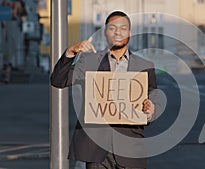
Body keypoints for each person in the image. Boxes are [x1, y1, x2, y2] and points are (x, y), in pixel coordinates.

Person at [51, 11, 157, 169]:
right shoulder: (89, 62)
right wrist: (71, 52)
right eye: (112, 28)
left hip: (130, 149)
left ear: (130, 33)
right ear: (105, 32)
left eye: (123, 28)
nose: (117, 32)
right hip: (96, 149)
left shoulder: (145, 66)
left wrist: (151, 109)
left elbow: (153, 98)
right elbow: (58, 81)